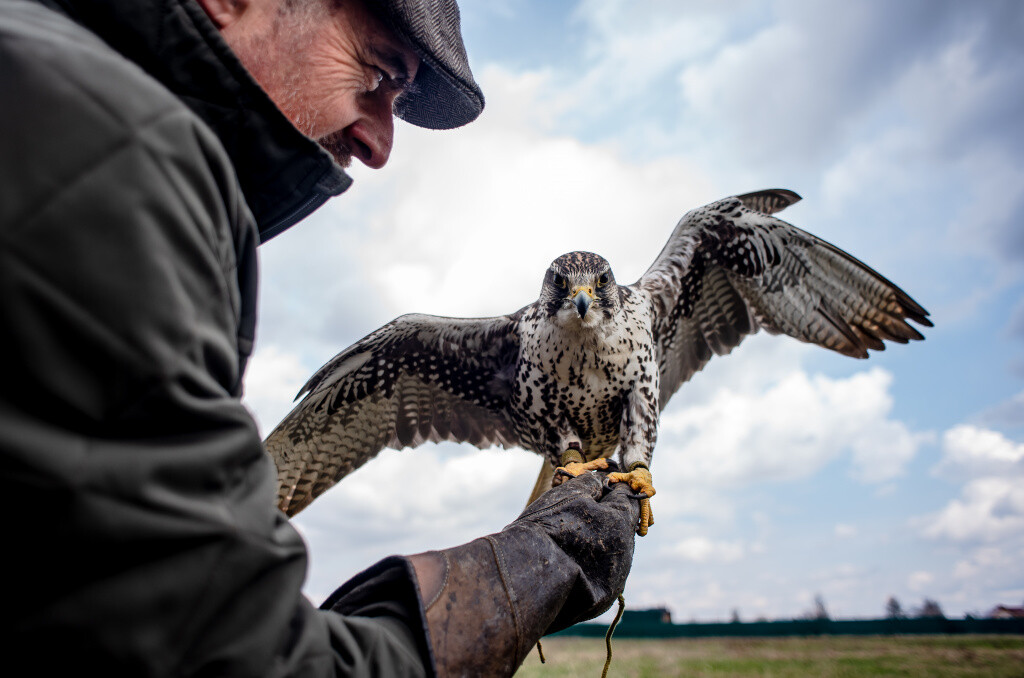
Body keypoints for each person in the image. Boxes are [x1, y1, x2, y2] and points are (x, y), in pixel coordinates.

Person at [0, 0, 641, 675]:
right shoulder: (116, 147)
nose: (381, 145)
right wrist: (537, 568)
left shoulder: (46, 77)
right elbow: (232, 658)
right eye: (377, 72)